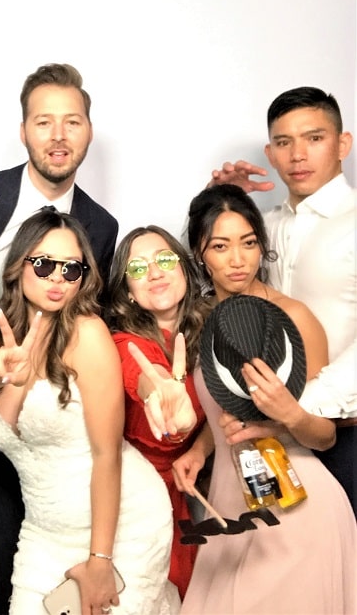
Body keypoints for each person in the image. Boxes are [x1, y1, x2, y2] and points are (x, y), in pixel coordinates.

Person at [0, 63, 119, 613]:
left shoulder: (101, 228)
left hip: (22, 412)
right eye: (43, 122)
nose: (58, 137)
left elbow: (90, 321)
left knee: (5, 549)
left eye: (72, 122)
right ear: (23, 130)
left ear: (87, 131)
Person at [0, 209, 181, 615]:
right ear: (19, 265)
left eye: (72, 269)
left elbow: (107, 455)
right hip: (44, 532)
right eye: (44, 264)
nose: (57, 279)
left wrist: (101, 560)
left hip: (122, 528)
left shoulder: (87, 333)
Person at [174, 184, 356, 614]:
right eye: (220, 246)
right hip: (229, 509)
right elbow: (224, 405)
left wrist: (288, 414)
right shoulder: (201, 320)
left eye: (248, 242)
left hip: (296, 512)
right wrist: (200, 450)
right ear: (200, 254)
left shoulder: (292, 319)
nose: (238, 259)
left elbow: (324, 436)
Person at [208, 86, 356, 512]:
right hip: (264, 433)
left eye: (314, 138)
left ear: (342, 144)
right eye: (284, 142)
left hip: (343, 432)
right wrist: (222, 204)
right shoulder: (263, 227)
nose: (298, 155)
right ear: (270, 153)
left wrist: (298, 409)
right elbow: (207, 278)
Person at [104, 226, 212, 600]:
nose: (154, 272)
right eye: (138, 268)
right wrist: (161, 392)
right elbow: (145, 377)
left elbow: (227, 408)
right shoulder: (122, 343)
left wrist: (198, 449)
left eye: (165, 260)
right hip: (132, 501)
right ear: (127, 292)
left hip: (190, 489)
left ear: (184, 268)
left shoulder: (216, 327)